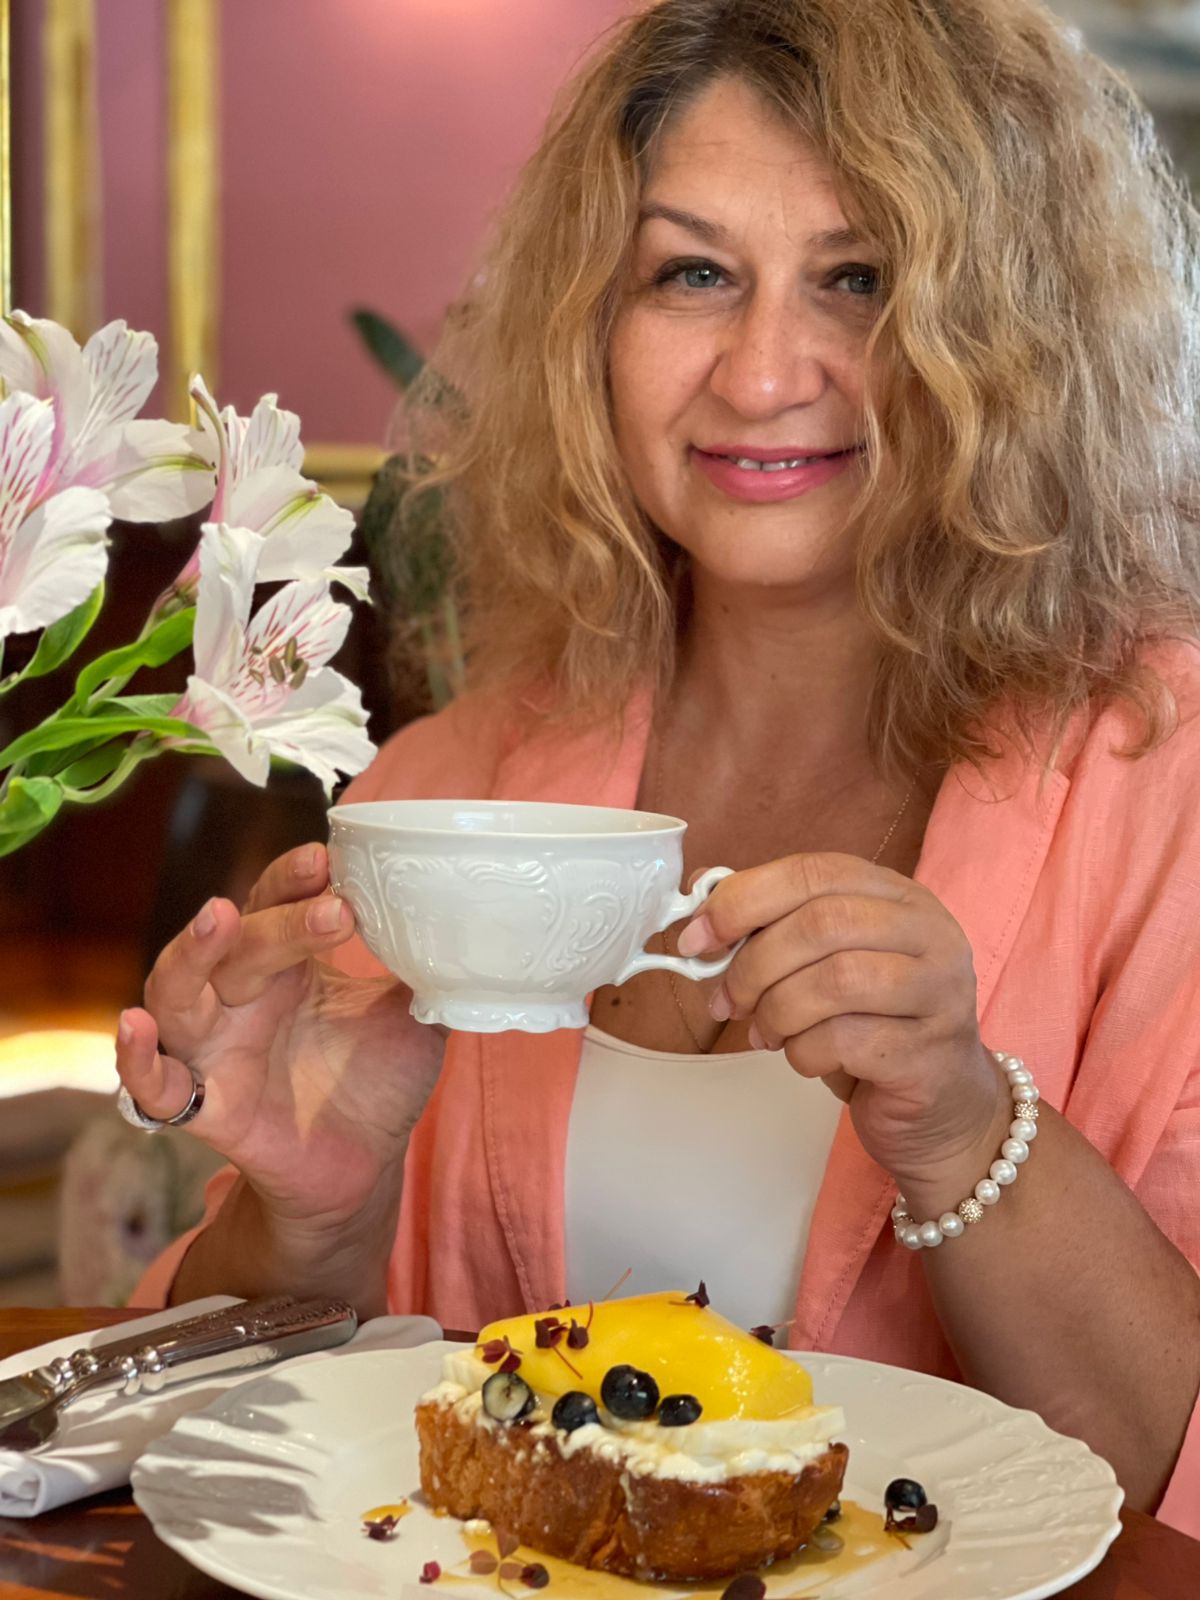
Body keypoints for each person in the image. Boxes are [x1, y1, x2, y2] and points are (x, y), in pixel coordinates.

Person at [117, 0, 1200, 1530]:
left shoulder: (1168, 781)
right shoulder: (444, 795)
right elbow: (248, 1481)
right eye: (693, 274)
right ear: (593, 327)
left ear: (1014, 335)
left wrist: (963, 1125)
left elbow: (1171, 1473)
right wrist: (309, 1215)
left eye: (859, 279)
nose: (761, 376)